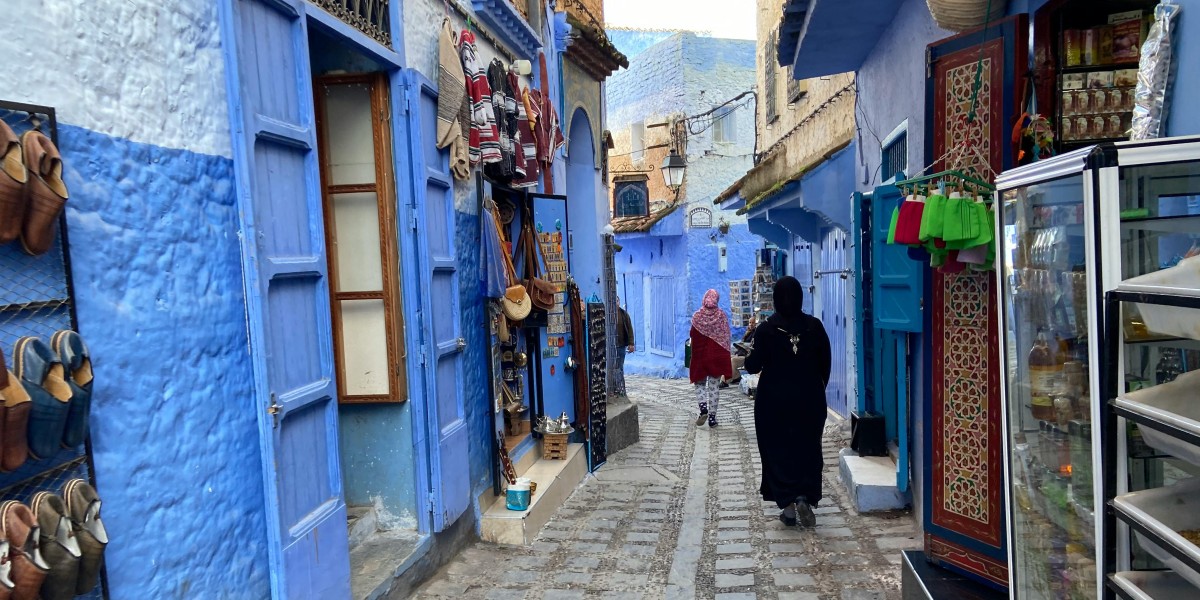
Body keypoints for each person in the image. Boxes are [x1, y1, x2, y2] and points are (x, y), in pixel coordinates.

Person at [744, 276, 831, 527]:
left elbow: (752, 366)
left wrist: (750, 354)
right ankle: (804, 495)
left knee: (777, 450)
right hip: (809, 399)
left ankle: (789, 508)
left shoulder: (766, 329)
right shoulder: (814, 327)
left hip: (773, 402)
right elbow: (825, 364)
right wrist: (817, 390)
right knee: (808, 447)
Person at [689, 289, 733, 427]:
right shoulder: (721, 316)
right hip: (716, 357)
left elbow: (692, 334)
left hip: (700, 356)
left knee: (699, 384)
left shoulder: (697, 316)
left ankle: (703, 409)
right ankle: (712, 419)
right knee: (714, 387)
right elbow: (726, 337)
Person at [613, 303, 635, 398]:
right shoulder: (608, 314)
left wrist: (631, 343)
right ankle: (613, 388)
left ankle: (620, 388)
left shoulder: (624, 314)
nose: (616, 303)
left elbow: (630, 329)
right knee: (612, 367)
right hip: (610, 346)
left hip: (621, 345)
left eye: (617, 301)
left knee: (619, 367)